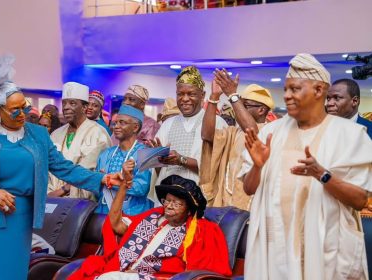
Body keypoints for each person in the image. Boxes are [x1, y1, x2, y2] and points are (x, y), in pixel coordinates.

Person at [0, 55, 125, 280]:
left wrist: (100, 179)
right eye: (14, 110)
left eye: (24, 107)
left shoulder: (38, 135)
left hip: (18, 219)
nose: (21, 114)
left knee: (10, 273)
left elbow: (63, 167)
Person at [241, 53, 371, 280]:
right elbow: (249, 189)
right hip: (275, 251)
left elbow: (360, 200)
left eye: (295, 89)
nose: (287, 96)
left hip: (325, 251)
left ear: (319, 90)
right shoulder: (269, 133)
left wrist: (322, 175)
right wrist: (258, 166)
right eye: (286, 89)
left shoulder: (350, 135)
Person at [69, 174, 232, 280]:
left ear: (189, 209)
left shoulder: (198, 231)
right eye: (167, 200)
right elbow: (115, 224)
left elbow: (196, 270)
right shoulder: (153, 217)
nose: (168, 206)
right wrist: (123, 188)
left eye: (176, 203)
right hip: (125, 272)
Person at [200, 70, 275, 209]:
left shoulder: (270, 133)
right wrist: (214, 97)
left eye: (244, 105)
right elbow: (206, 135)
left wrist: (232, 96)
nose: (237, 108)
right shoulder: (234, 132)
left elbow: (252, 131)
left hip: (251, 206)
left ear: (261, 110)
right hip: (225, 204)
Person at [149, 66, 228, 185]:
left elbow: (219, 166)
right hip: (169, 197)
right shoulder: (167, 124)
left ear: (202, 95)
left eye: (191, 94)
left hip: (201, 196)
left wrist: (181, 160)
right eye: (180, 94)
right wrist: (157, 158)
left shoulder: (217, 122)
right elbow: (158, 173)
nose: (185, 99)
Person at [48, 82, 112, 199]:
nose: (66, 107)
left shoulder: (98, 133)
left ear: (84, 107)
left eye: (72, 103)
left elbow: (93, 171)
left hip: (82, 204)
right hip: (52, 199)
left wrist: (64, 190)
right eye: (64, 103)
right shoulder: (56, 134)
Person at [95, 105, 153, 215]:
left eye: (122, 123)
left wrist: (109, 181)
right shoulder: (105, 154)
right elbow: (96, 184)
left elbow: (142, 188)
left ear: (135, 127)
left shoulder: (145, 154)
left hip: (132, 215)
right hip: (103, 213)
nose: (116, 126)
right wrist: (100, 179)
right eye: (115, 122)